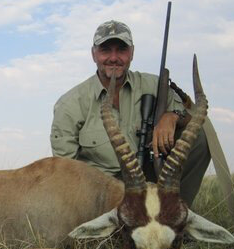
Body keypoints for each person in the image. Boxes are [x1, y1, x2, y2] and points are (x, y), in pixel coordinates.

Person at [50, 20, 210, 206]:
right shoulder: (69, 104)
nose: (114, 57)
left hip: (148, 176)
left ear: (132, 53)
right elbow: (65, 172)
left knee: (199, 137)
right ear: (94, 54)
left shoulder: (154, 85)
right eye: (105, 50)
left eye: (122, 50)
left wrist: (172, 116)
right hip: (100, 192)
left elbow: (191, 118)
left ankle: (176, 212)